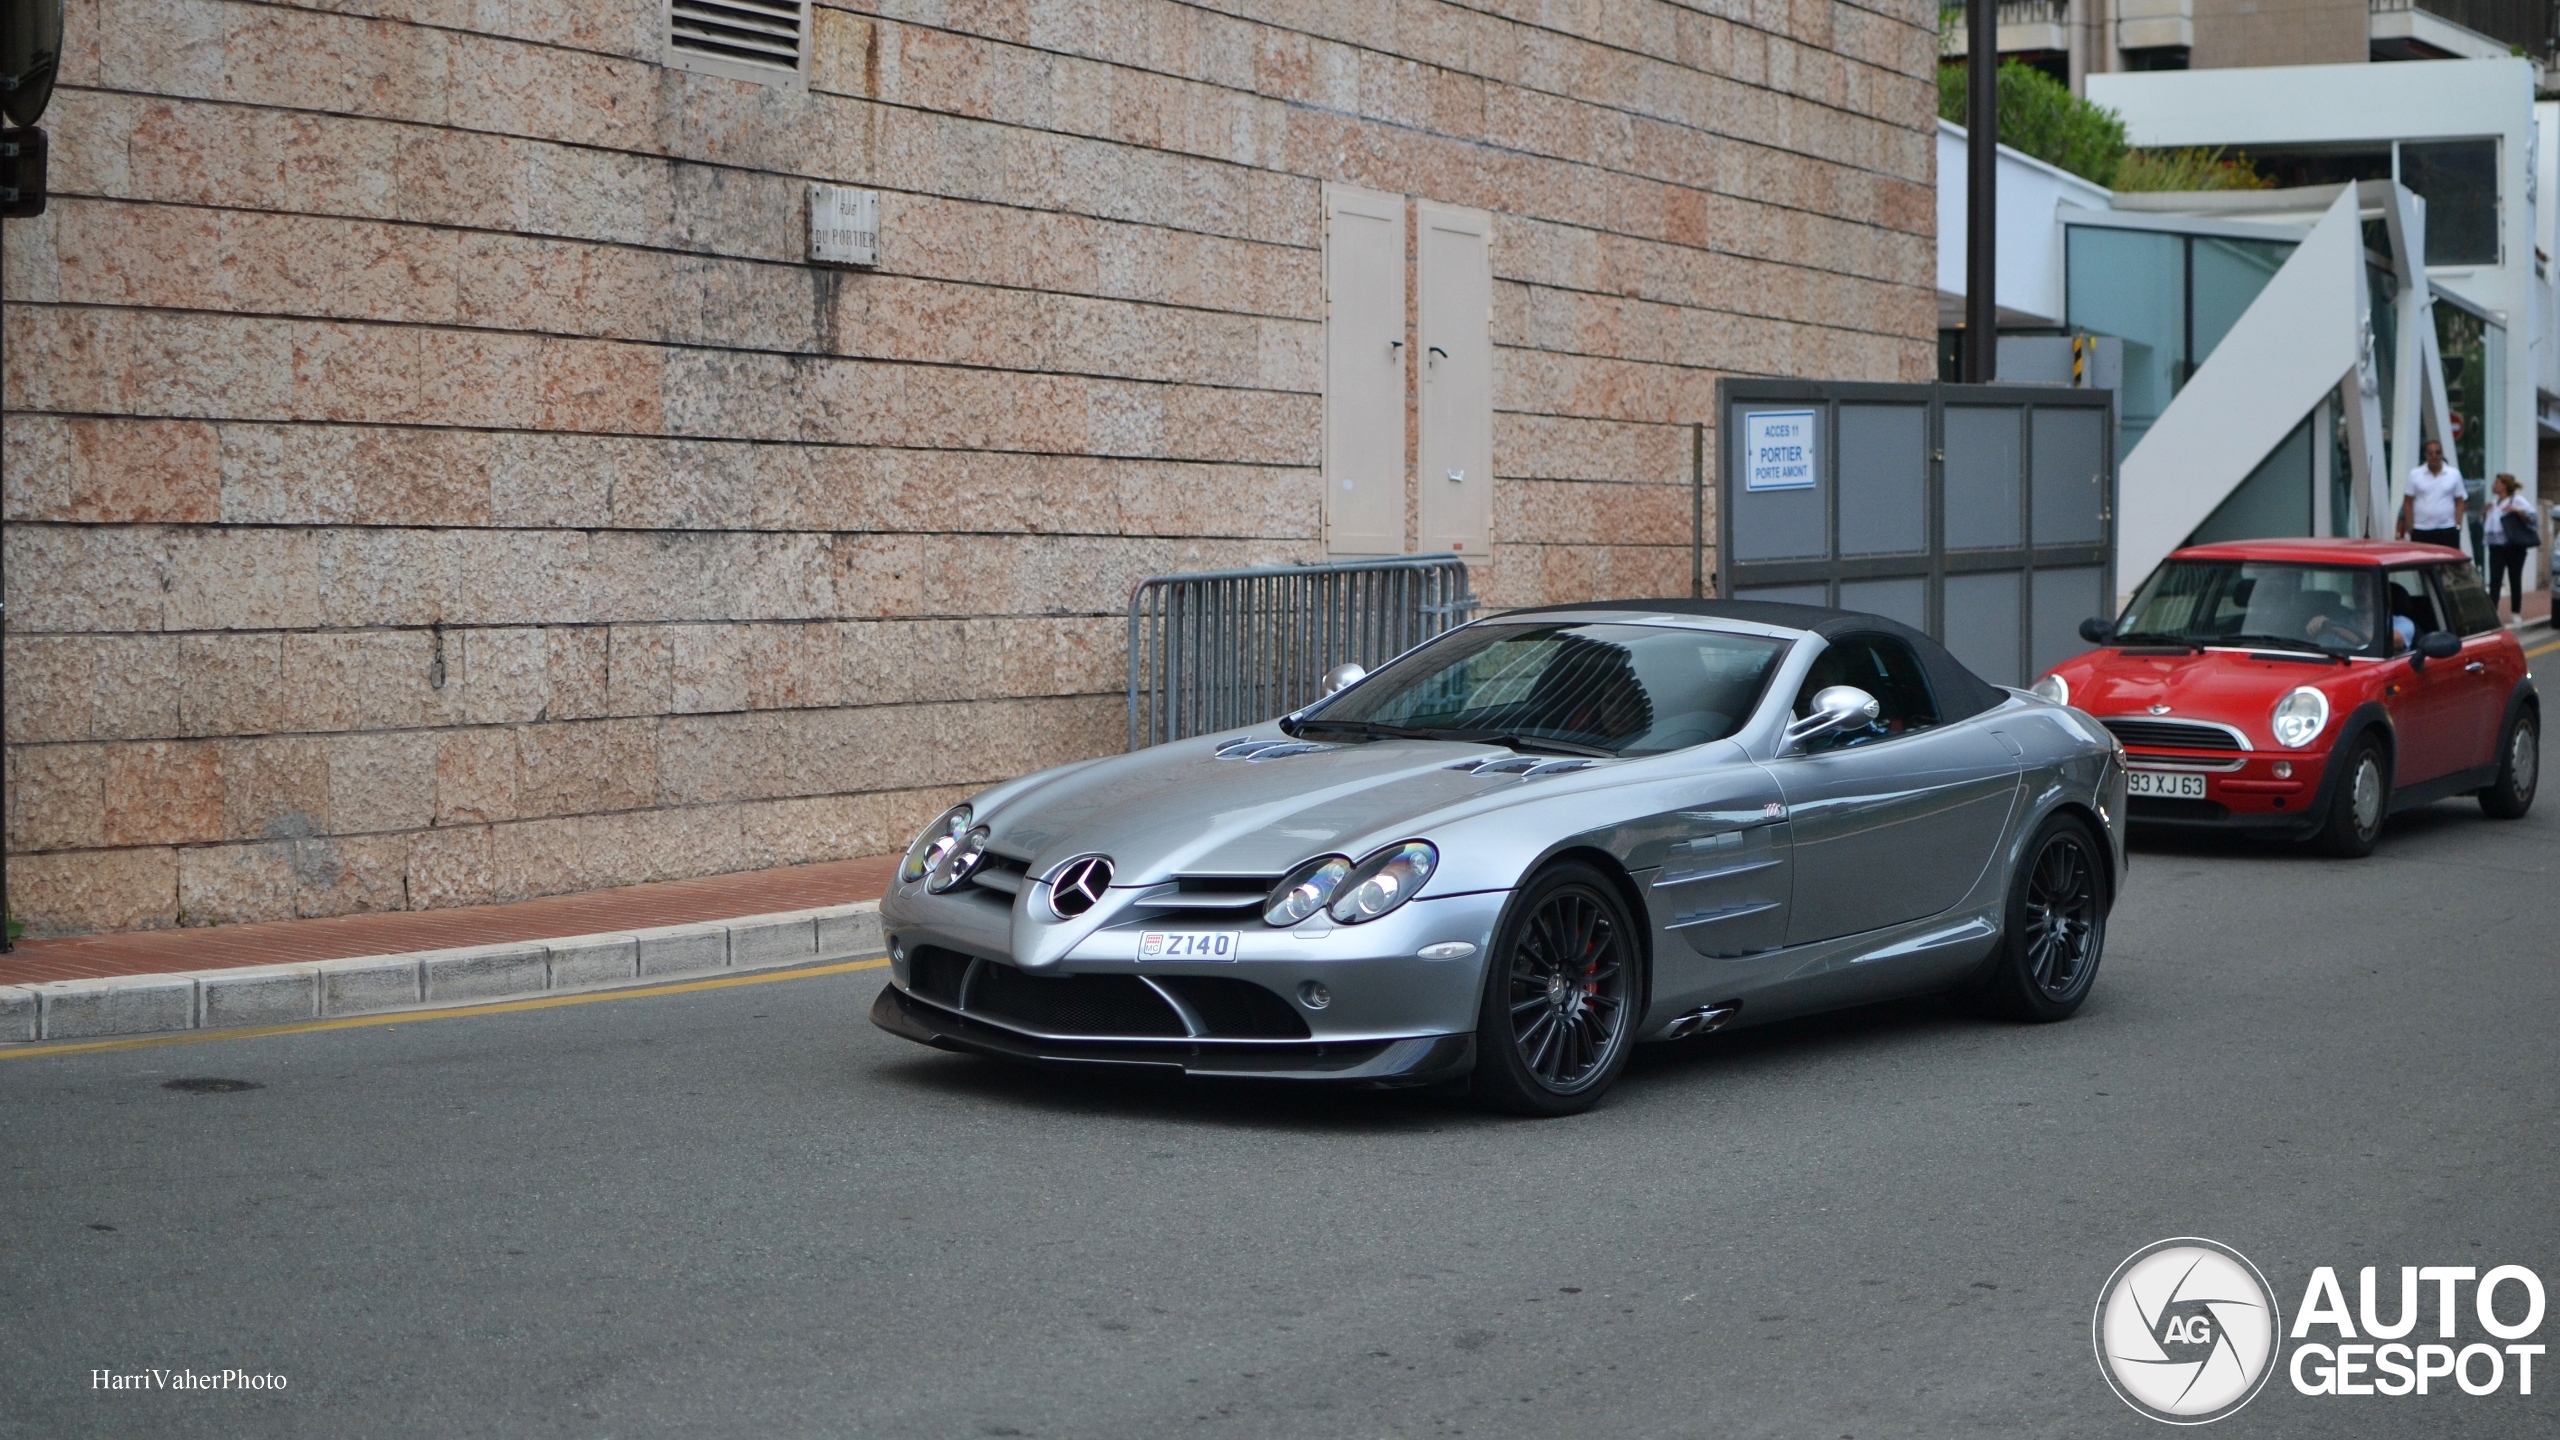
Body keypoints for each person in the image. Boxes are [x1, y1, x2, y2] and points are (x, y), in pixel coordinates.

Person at [2481, 473, 2539, 622]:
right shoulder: (2493, 503)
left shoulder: (2517, 500)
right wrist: (2484, 512)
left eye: (2497, 482)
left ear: (2504, 486)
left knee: (2515, 578)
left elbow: (2532, 518)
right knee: (2495, 580)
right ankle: (2493, 612)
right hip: (2496, 547)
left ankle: (2516, 612)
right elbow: (2486, 525)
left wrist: (2516, 510)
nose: (2494, 485)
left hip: (2514, 546)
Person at [2397, 440, 2467, 550]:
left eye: (2437, 452)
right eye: (2430, 453)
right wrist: (2411, 527)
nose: (2434, 456)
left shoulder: (2454, 474)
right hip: (2421, 529)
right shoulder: (2415, 474)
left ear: (2442, 454)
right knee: (2424, 565)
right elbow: (2407, 502)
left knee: (2449, 565)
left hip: (2447, 529)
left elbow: (2460, 501)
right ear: (2426, 455)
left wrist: (2458, 526)